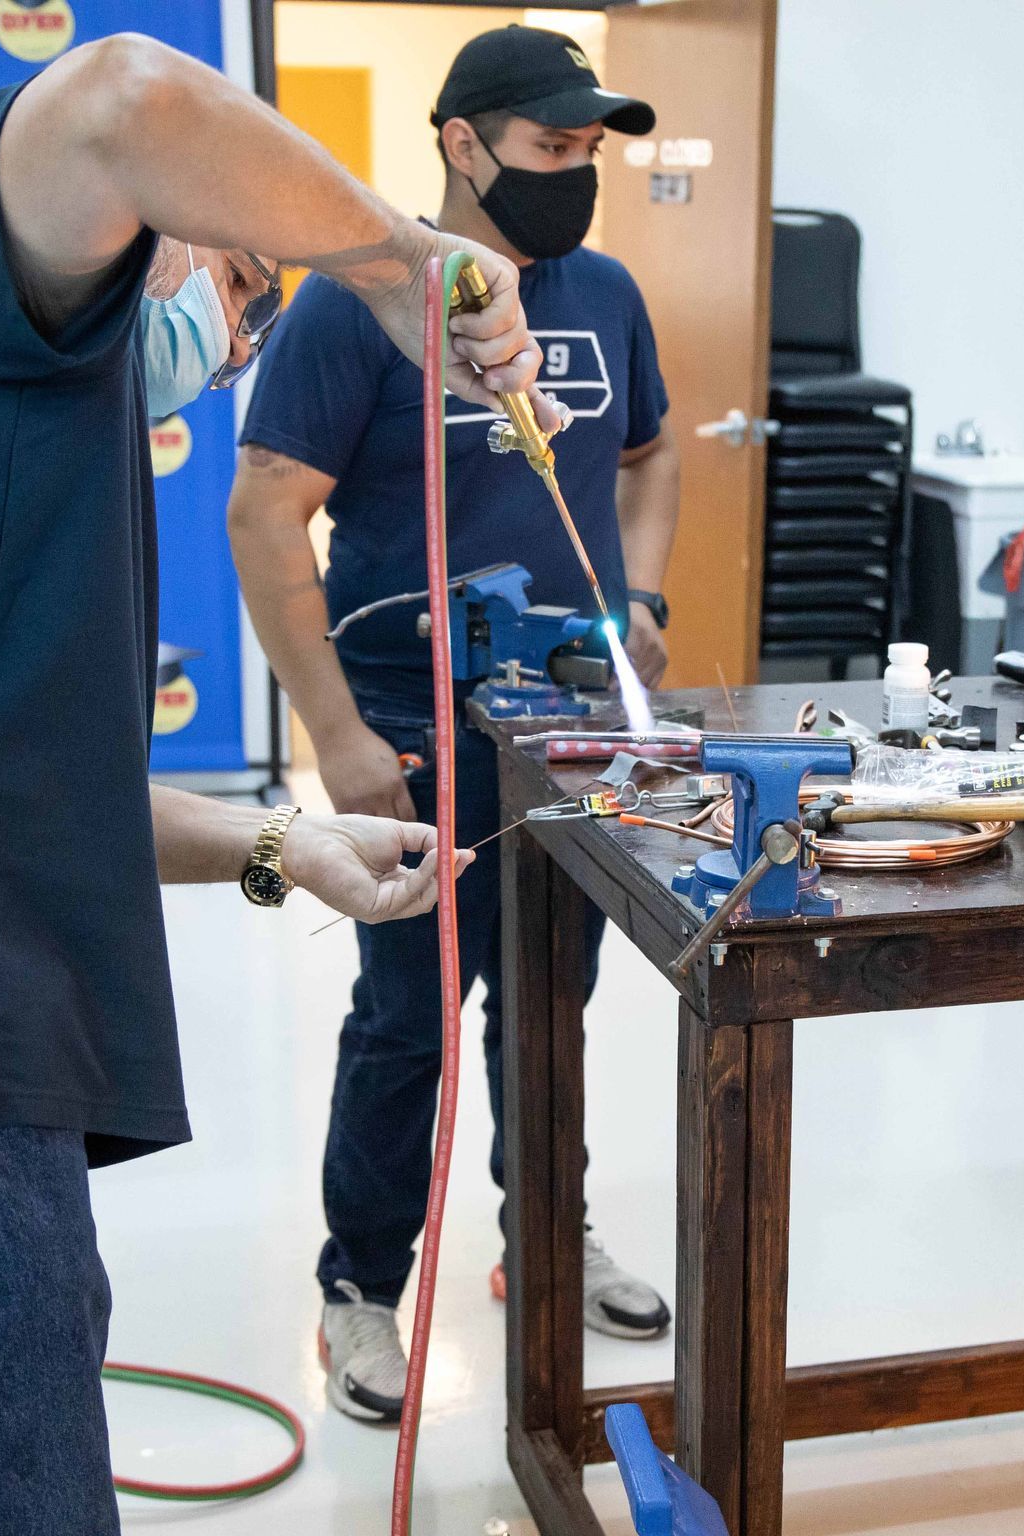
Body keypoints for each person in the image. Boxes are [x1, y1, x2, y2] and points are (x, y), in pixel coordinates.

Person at [0, 32, 547, 1533]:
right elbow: (126, 98)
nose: (239, 341)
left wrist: (283, 847)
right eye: (243, 279)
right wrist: (398, 263)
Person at [229, 24, 680, 1422]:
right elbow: (263, 517)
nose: (576, 172)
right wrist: (337, 738)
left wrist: (642, 593)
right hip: (411, 725)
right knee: (409, 1019)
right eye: (552, 147)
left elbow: (653, 452)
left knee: (552, 1003)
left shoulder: (605, 295)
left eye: (591, 149)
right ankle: (362, 1286)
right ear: (463, 144)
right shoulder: (357, 305)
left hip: (570, 729)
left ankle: (546, 1233)